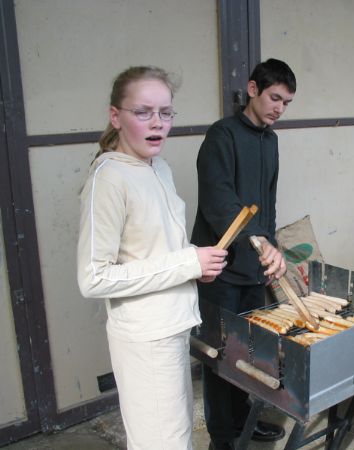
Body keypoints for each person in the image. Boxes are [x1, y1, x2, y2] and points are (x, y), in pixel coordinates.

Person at [77, 66, 228, 450]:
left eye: (165, 112)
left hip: (172, 327)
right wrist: (187, 264)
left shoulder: (158, 167)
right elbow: (94, 277)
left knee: (173, 436)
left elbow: (156, 248)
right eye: (143, 112)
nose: (157, 122)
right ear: (116, 116)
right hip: (145, 338)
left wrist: (194, 265)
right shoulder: (109, 179)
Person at [191, 58, 296, 450]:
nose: (279, 108)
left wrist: (272, 247)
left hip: (254, 266)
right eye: (274, 98)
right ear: (253, 89)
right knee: (219, 354)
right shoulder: (222, 136)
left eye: (286, 103)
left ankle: (244, 422)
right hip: (219, 269)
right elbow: (219, 201)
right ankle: (222, 437)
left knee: (248, 351)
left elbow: (266, 204)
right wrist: (259, 242)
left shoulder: (271, 141)